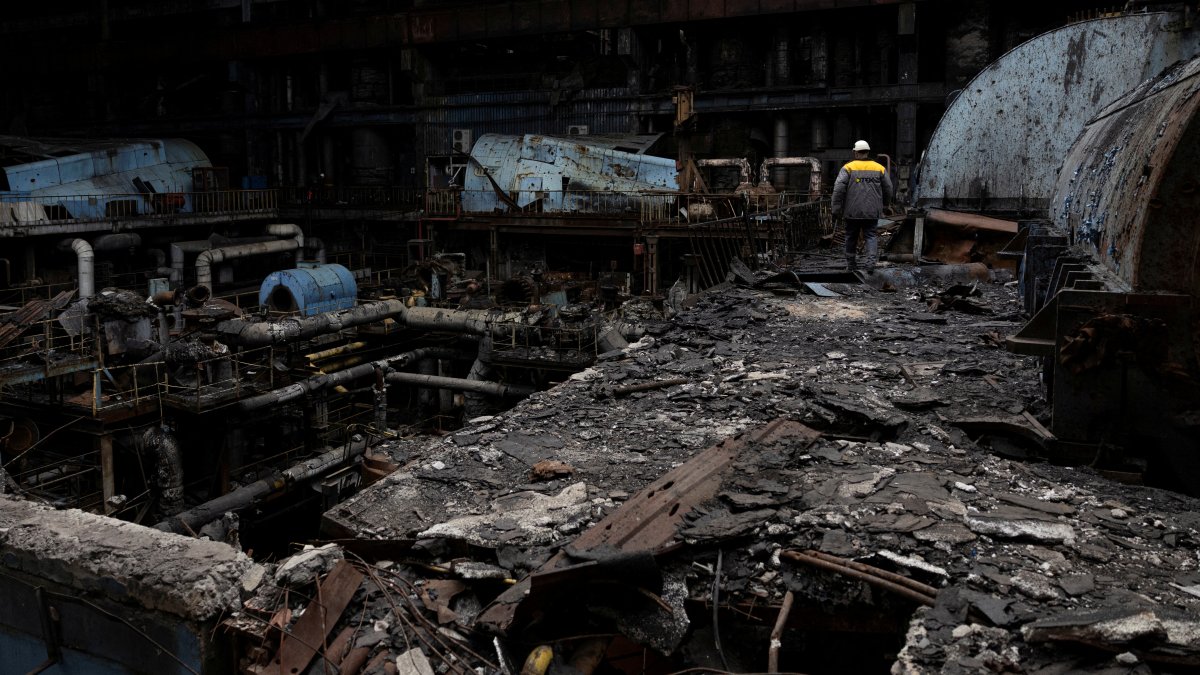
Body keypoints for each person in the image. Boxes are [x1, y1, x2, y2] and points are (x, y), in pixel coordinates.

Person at [831, 140, 893, 273]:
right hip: (872, 211)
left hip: (852, 211)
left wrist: (836, 209)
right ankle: (870, 264)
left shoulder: (848, 168)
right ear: (868, 152)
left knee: (851, 236)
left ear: (855, 152)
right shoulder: (879, 168)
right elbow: (888, 188)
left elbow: (838, 189)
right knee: (871, 235)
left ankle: (851, 265)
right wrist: (886, 205)